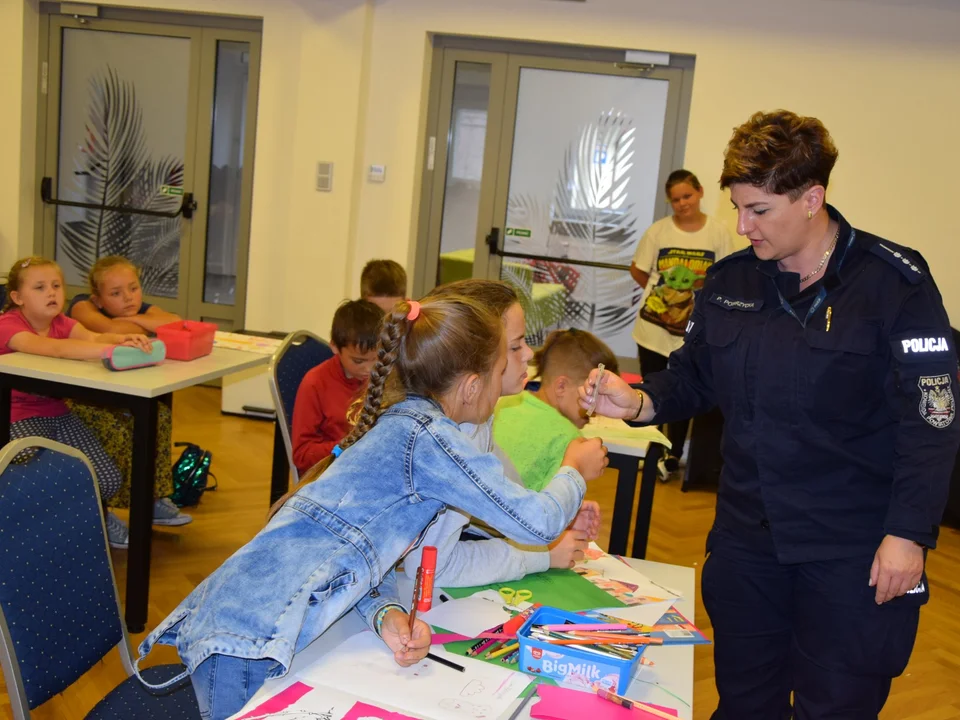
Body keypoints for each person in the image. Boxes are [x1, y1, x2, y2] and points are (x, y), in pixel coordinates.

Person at [582, 110, 960, 719]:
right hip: (747, 542)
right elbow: (696, 374)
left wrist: (909, 533)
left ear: (812, 198)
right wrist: (641, 401)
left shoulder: (894, 285)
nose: (741, 225)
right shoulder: (732, 282)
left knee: (836, 704)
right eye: (737, 207)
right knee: (745, 702)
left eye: (759, 210)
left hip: (852, 548)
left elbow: (933, 419)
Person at [137, 294, 609, 719]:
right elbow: (537, 523)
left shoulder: (407, 426)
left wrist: (385, 615)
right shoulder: (431, 441)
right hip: (250, 642)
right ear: (469, 386)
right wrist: (573, 467)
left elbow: (348, 555)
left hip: (257, 631)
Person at [402, 280, 602, 588]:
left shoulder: (475, 418)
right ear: (475, 362)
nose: (530, 354)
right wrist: (542, 554)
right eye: (515, 345)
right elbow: (433, 568)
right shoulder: (454, 439)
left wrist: (560, 506)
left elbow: (506, 493)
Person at [0, 256, 154, 549]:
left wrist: (123, 341)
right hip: (14, 416)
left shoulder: (62, 322)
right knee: (31, 478)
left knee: (107, 480)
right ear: (17, 297)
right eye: (40, 287)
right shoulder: (7, 325)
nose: (51, 293)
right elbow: (54, 349)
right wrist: (109, 349)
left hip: (57, 413)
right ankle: (49, 531)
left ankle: (92, 517)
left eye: (56, 285)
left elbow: (94, 338)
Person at [67, 255, 190, 527]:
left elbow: (175, 321)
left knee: (159, 415)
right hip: (81, 395)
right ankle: (107, 506)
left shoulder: (138, 308)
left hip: (122, 391)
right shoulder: (81, 306)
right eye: (116, 293)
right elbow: (110, 328)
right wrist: (145, 322)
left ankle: (152, 498)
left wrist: (134, 319)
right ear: (98, 299)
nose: (128, 297)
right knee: (121, 427)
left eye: (133, 288)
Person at [630, 170, 735, 479]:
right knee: (650, 390)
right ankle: (650, 452)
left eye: (687, 196)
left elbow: (725, 277)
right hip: (652, 332)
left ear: (700, 192)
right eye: (675, 199)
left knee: (681, 390)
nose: (681, 203)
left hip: (692, 333)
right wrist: (660, 294)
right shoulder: (658, 232)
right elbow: (638, 270)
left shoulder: (718, 233)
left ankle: (673, 454)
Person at [494, 328, 619, 492]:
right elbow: (558, 507)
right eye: (595, 394)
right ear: (561, 386)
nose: (599, 408)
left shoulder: (508, 402)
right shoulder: (572, 441)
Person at [291, 298, 382, 476]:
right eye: (358, 361)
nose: (370, 369)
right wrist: (347, 445)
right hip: (333, 474)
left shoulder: (385, 374)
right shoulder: (315, 383)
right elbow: (302, 455)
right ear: (334, 346)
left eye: (377, 358)